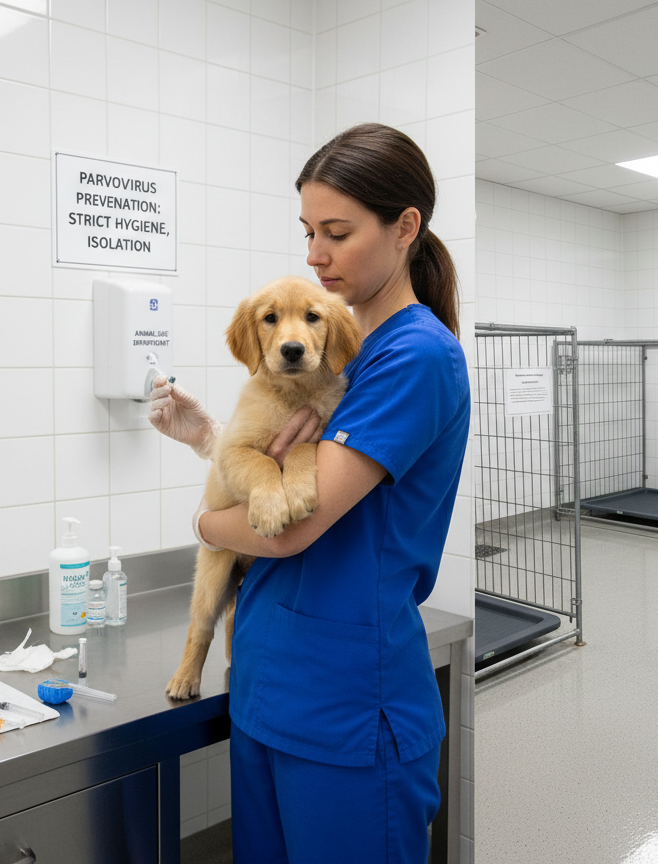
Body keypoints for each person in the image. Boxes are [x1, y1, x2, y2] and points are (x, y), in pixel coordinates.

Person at [149, 123, 470, 863]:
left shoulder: (413, 357)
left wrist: (204, 523)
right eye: (308, 232)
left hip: (346, 704)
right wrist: (212, 439)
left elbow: (291, 526)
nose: (315, 255)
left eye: (337, 232)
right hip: (270, 684)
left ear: (405, 228)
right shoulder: (338, 357)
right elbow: (287, 465)